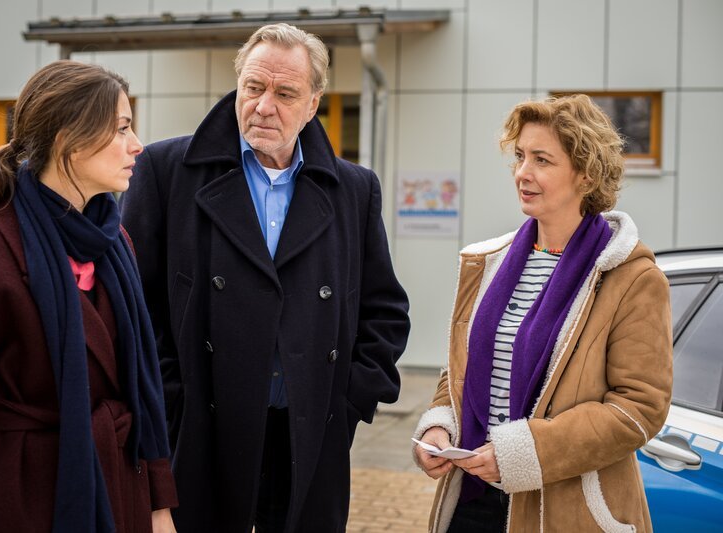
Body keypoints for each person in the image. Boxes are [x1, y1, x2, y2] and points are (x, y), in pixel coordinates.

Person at [120, 22, 411, 532]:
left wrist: (346, 404)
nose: (264, 105)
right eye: (253, 88)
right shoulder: (167, 171)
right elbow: (130, 303)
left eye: (285, 93)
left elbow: (384, 311)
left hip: (305, 437)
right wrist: (172, 402)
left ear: (314, 102)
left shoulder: (353, 189)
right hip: (201, 431)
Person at [0, 60, 178, 533]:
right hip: (26, 502)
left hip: (121, 492)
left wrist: (158, 506)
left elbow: (144, 392)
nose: (137, 145)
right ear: (69, 140)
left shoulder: (115, 241)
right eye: (122, 128)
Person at [412, 94, 672, 532]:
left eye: (542, 160)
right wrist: (440, 426)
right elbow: (465, 367)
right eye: (519, 156)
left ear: (586, 174)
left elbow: (639, 408)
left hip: (568, 510)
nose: (522, 173)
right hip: (473, 497)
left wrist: (522, 453)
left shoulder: (631, 278)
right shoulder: (489, 262)